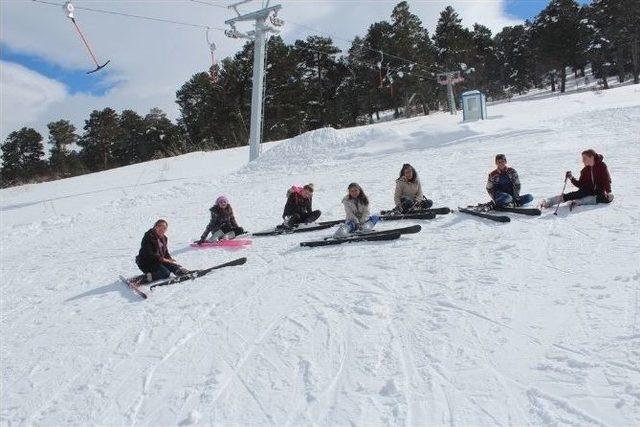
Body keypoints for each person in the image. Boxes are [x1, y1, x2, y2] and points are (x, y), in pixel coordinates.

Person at [541, 149, 613, 208]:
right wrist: (571, 178)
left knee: (608, 198)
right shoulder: (585, 170)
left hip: (599, 192)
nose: (583, 161)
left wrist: (609, 192)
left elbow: (606, 179)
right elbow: (580, 184)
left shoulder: (602, 166)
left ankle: (578, 201)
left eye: (585, 158)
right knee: (577, 194)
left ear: (592, 157)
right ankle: (550, 201)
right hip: (586, 191)